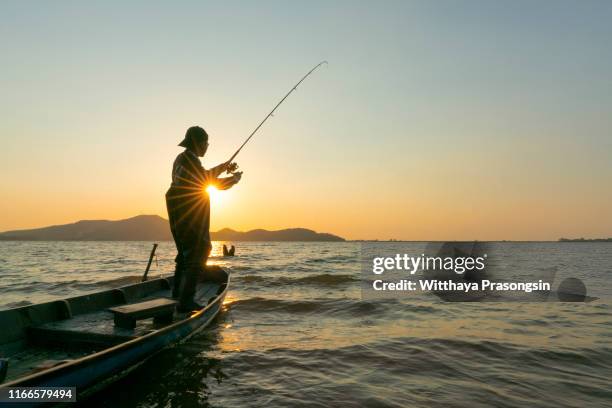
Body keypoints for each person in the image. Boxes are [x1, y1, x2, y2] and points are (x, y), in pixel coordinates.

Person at [166, 126, 242, 312]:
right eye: (206, 143)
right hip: (188, 209)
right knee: (200, 249)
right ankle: (186, 301)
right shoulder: (190, 159)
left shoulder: (183, 158)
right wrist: (233, 179)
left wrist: (223, 167)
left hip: (177, 206)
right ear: (198, 143)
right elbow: (206, 181)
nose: (207, 146)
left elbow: (202, 176)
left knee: (185, 251)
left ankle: (177, 293)